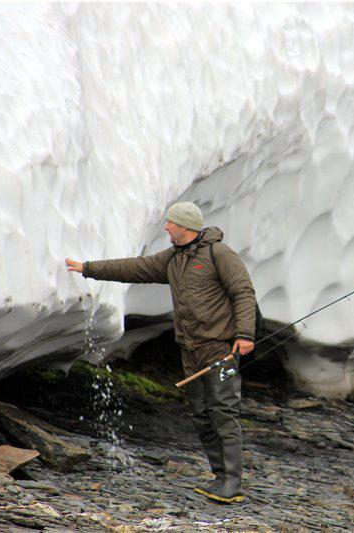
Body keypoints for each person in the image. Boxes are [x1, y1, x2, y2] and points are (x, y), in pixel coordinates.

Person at [66, 201, 255, 504]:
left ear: (184, 226)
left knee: (223, 411)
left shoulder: (219, 254)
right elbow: (134, 268)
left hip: (219, 348)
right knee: (201, 414)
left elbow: (243, 292)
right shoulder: (173, 258)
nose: (166, 227)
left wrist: (244, 335)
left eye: (170, 223)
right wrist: (88, 269)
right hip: (190, 350)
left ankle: (232, 483)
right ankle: (220, 478)